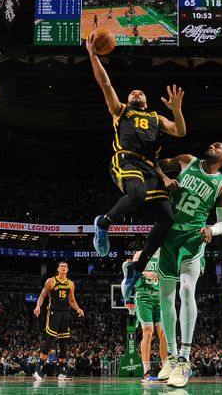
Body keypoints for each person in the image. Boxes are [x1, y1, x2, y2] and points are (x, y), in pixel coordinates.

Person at [85, 39, 186, 301]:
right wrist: (93, 56)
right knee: (138, 194)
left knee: (166, 220)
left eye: (140, 92)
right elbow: (105, 84)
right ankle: (103, 223)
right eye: (133, 93)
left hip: (150, 166)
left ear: (146, 100)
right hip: (126, 160)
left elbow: (180, 131)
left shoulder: (155, 117)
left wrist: (177, 111)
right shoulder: (120, 111)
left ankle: (135, 269)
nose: (136, 93)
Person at [153, 143, 222, 388]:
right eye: (212, 143)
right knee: (164, 297)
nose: (212, 145)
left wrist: (211, 229)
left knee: (186, 290)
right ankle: (171, 358)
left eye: (218, 146)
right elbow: (153, 164)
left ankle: (185, 360)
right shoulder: (187, 160)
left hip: (192, 238)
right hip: (167, 235)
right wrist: (165, 178)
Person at [32, 261, 84, 381]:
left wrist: (78, 309)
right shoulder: (51, 281)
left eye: (65, 266)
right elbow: (42, 295)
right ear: (58, 269)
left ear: (68, 269)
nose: (63, 267)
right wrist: (38, 306)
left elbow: (72, 300)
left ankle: (62, 372)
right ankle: (38, 369)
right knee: (49, 340)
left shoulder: (71, 284)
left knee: (63, 343)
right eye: (61, 266)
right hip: (53, 313)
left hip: (65, 314)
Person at [123, 250, 168, 383]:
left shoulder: (163, 256)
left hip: (159, 296)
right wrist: (144, 273)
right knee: (148, 332)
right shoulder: (140, 255)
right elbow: (130, 273)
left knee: (163, 332)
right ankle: (146, 371)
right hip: (143, 296)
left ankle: (165, 369)